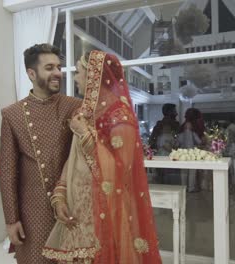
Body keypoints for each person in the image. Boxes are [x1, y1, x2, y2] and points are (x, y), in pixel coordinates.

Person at [42, 50, 162, 263]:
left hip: (107, 212)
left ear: (93, 76)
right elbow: (73, 159)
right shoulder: (86, 113)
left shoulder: (120, 117)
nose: (76, 77)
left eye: (79, 72)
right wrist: (60, 194)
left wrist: (85, 135)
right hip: (78, 211)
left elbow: (119, 171)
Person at [0, 43, 82, 264]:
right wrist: (11, 219)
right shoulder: (12, 114)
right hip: (32, 211)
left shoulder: (75, 107)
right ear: (31, 73)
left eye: (59, 67)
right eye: (49, 68)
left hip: (72, 206)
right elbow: (8, 170)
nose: (57, 73)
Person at [177, 107, 205, 192]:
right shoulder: (194, 132)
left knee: (183, 171)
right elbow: (199, 142)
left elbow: (177, 142)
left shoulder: (181, 133)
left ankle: (183, 187)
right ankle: (191, 187)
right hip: (192, 152)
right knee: (192, 170)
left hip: (182, 153)